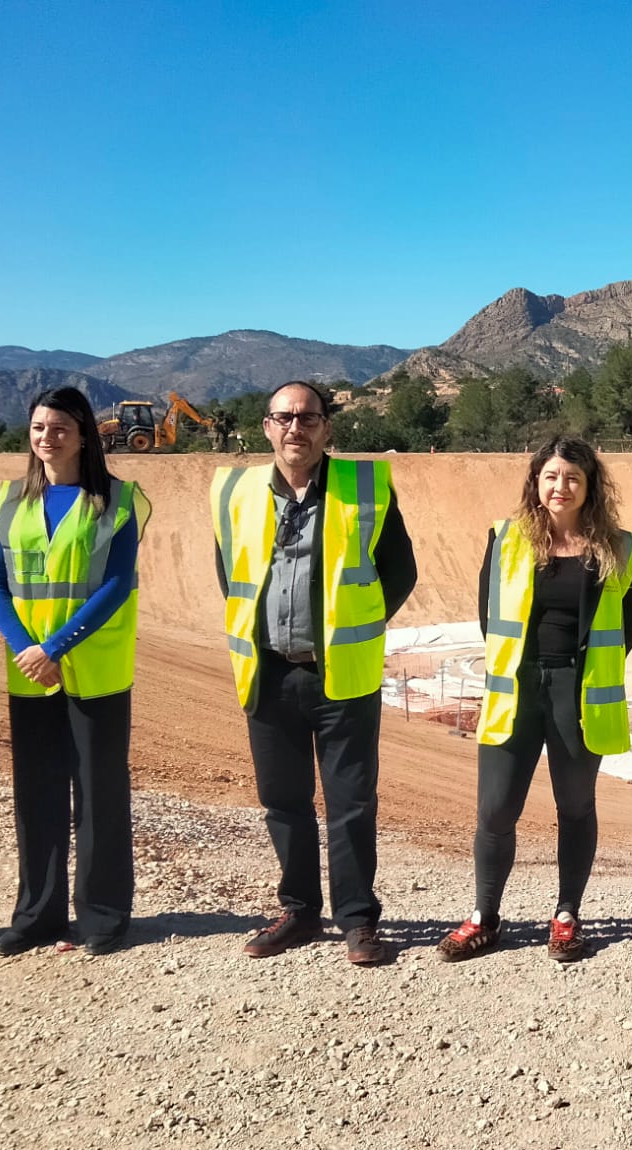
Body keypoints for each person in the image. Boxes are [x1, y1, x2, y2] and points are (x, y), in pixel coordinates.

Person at [212, 380, 417, 966]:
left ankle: (357, 919)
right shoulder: (236, 490)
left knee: (351, 803)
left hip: (342, 674)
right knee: (284, 801)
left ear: (327, 427)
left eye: (307, 418)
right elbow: (229, 572)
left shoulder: (365, 486)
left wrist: (356, 622)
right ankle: (299, 911)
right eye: (284, 418)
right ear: (267, 426)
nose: (295, 428)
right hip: (268, 672)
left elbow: (399, 571)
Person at [437, 436, 632, 964]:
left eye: (573, 477)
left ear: (590, 486)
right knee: (496, 808)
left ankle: (567, 914)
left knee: (575, 808)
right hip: (516, 689)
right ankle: (485, 916)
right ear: (535, 482)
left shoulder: (619, 549)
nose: (561, 486)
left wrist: (580, 674)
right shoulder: (506, 541)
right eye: (551, 476)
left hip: (578, 694)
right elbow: (490, 618)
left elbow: (629, 630)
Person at [0, 388, 150, 957]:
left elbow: (116, 583)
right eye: (37, 428)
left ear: (83, 434)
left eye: (59, 427)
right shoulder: (8, 502)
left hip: (95, 672)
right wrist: (29, 647)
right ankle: (36, 914)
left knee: (100, 797)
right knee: (37, 794)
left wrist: (54, 645)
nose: (46, 438)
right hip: (32, 671)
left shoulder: (119, 501)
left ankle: (102, 917)